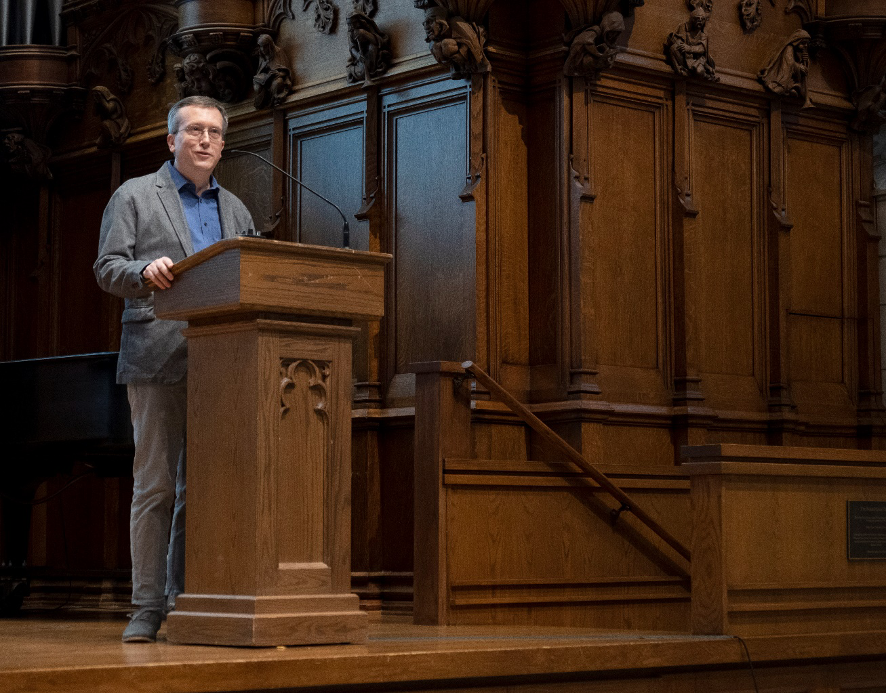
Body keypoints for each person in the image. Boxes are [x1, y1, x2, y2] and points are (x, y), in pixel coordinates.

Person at [94, 96, 254, 643]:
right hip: (158, 354)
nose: (205, 140)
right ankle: (144, 607)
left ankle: (183, 599)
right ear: (171, 140)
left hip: (224, 362)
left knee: (201, 489)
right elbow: (107, 268)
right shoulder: (136, 195)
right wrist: (144, 268)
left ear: (223, 145)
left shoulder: (236, 209)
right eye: (193, 131)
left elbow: (247, 275)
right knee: (156, 487)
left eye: (214, 132)